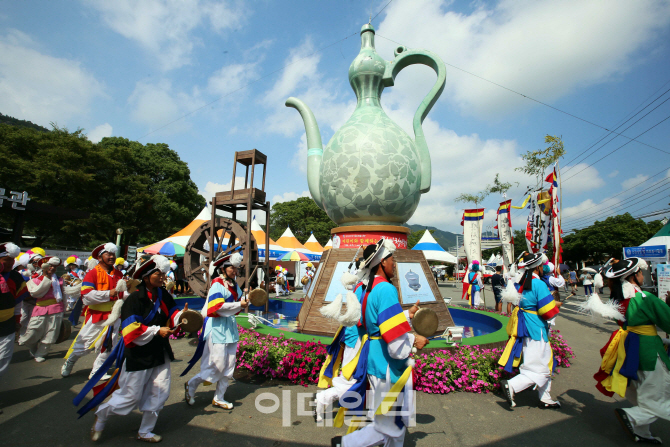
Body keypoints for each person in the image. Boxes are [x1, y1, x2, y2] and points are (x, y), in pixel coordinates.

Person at [333, 239, 428, 447]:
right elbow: (394, 341)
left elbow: (376, 322)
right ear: (382, 262)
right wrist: (413, 341)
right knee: (391, 422)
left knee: (390, 421)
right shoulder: (386, 289)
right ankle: (347, 443)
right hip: (386, 363)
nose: (394, 263)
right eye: (392, 259)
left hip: (374, 358)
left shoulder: (369, 287)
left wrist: (406, 315)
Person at [86, 255, 183, 442]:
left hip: (159, 351)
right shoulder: (134, 298)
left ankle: (145, 431)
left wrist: (182, 317)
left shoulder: (163, 294)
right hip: (139, 352)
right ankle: (102, 414)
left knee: (160, 391)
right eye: (158, 273)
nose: (163, 276)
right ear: (146, 277)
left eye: (163, 273)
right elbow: (130, 329)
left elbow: (173, 311)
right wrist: (156, 330)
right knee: (130, 396)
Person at [593, 257, 670, 444]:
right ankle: (634, 416)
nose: (643, 276)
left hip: (628, 347)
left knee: (645, 391)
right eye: (641, 273)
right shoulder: (644, 298)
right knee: (661, 393)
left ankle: (642, 432)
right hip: (648, 349)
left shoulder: (618, 299)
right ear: (634, 276)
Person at [184, 252, 248, 410]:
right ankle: (191, 385)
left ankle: (219, 398)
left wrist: (245, 300)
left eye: (236, 267)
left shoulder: (234, 285)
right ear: (223, 268)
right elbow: (216, 308)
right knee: (217, 364)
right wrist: (239, 305)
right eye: (232, 267)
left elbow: (238, 304)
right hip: (217, 328)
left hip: (230, 329)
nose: (235, 270)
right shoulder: (217, 284)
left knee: (229, 365)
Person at [499, 252, 562, 410]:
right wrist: (555, 305)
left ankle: (545, 397)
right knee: (538, 364)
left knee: (543, 360)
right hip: (536, 327)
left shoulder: (521, 283)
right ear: (539, 267)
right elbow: (547, 311)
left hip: (524, 325)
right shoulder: (538, 284)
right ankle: (512, 385)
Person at [61, 242, 126, 379]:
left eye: (113, 254)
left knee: (109, 344)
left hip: (114, 316)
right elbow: (86, 296)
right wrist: (109, 294)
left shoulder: (118, 273)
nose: (111, 257)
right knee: (84, 344)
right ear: (100, 257)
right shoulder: (92, 274)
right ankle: (70, 361)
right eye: (108, 254)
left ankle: (97, 370)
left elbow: (122, 294)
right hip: (96, 315)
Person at [20, 256, 65, 362]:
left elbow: (64, 295)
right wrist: (47, 279)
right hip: (40, 308)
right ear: (43, 267)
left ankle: (41, 353)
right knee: (32, 332)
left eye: (54, 266)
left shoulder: (60, 280)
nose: (52, 268)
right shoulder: (34, 280)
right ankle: (32, 347)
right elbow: (36, 293)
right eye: (50, 265)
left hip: (56, 308)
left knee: (51, 333)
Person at [0, 242, 29, 406]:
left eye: (12, 260)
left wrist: (17, 322)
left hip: (7, 325)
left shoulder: (17, 278)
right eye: (6, 259)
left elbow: (17, 304)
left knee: (2, 360)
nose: (10, 263)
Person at [20, 247, 45, 337]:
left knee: (33, 321)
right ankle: (22, 335)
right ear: (30, 262)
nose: (37, 264)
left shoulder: (43, 273)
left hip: (37, 302)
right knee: (22, 319)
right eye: (35, 262)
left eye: (39, 262)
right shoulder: (23, 274)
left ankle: (30, 337)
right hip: (24, 301)